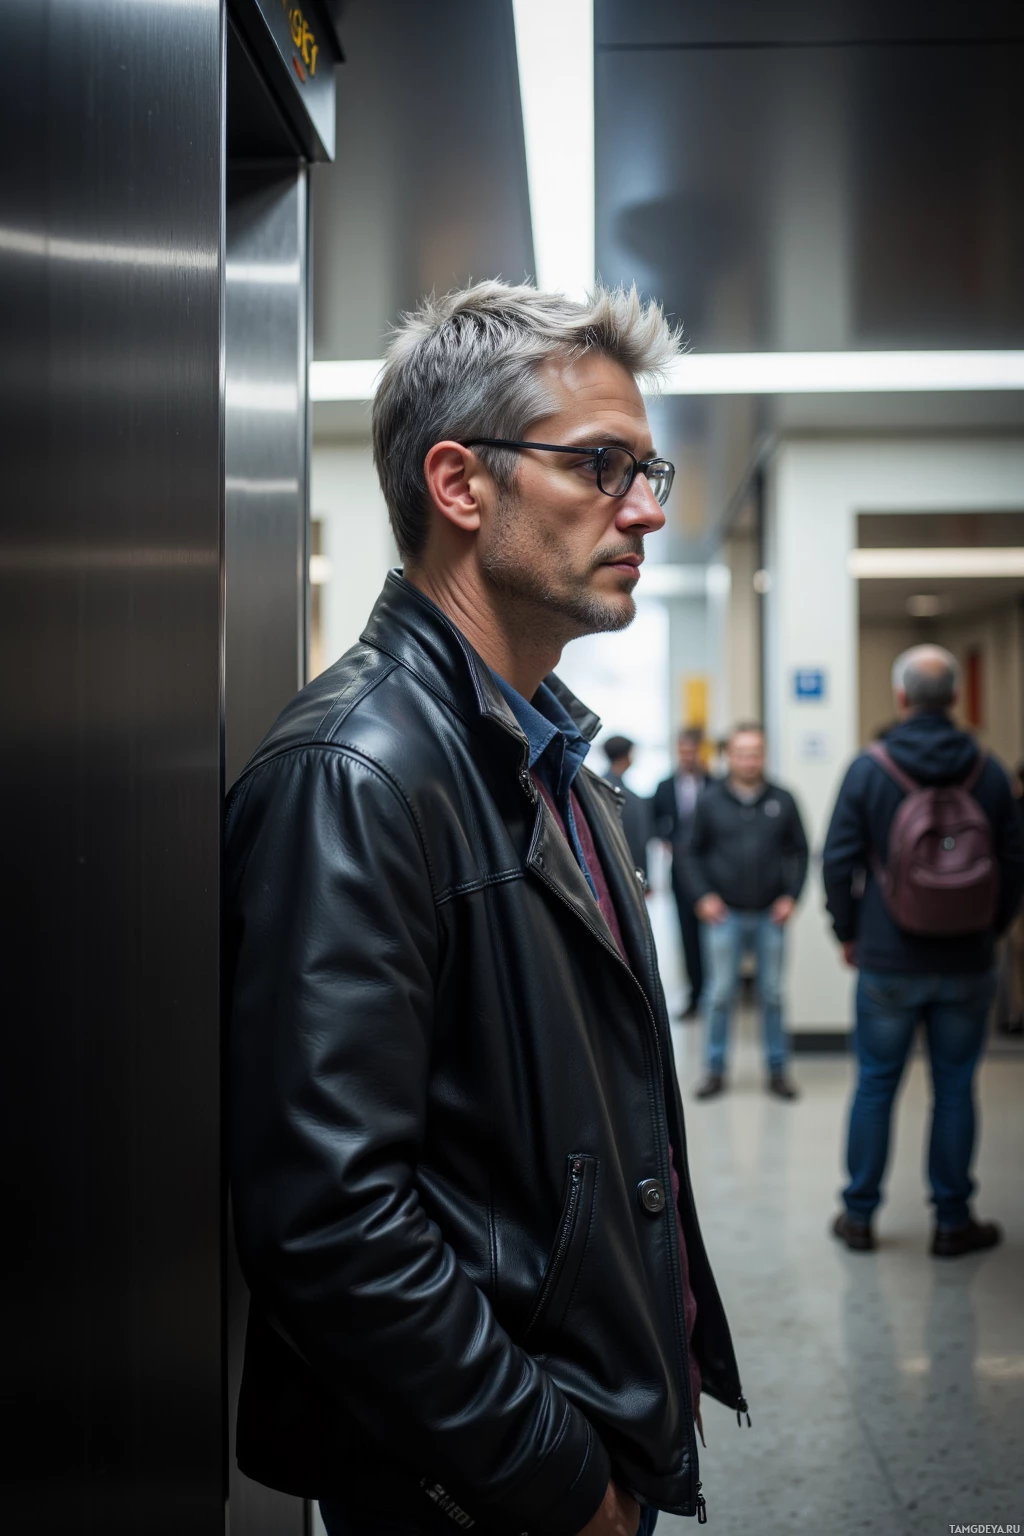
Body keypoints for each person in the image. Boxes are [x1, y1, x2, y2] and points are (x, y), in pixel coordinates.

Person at [225, 282, 745, 1536]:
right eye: (600, 464)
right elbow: (330, 1222)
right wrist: (555, 1478)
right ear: (460, 485)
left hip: (575, 1427)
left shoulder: (552, 761)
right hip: (480, 1485)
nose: (647, 507)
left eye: (646, 469)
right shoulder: (355, 774)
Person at [823, 644, 1024, 1257]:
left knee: (875, 1085)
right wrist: (990, 928)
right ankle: (953, 1221)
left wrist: (849, 932)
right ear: (955, 697)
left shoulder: (869, 768)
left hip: (888, 957)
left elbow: (838, 861)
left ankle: (859, 1216)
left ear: (902, 696)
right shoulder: (989, 769)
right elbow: (1014, 862)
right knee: (956, 1089)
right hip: (968, 960)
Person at [685, 724, 808, 1100]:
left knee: (772, 994)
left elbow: (801, 852)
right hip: (725, 915)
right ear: (729, 756)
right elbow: (689, 853)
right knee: (720, 994)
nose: (748, 760)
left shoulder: (783, 799)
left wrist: (791, 897)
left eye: (755, 753)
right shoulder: (709, 801)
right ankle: (715, 1070)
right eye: (741, 753)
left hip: (771, 914)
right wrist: (703, 896)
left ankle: (777, 1070)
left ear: (764, 756)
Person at [653, 729, 707, 1017]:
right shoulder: (664, 786)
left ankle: (715, 995)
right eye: (682, 751)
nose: (687, 756)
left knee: (713, 937)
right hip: (680, 868)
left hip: (712, 870)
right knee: (688, 935)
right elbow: (655, 821)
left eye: (691, 751)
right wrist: (668, 839)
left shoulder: (713, 783)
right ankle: (696, 994)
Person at [602, 734, 652, 885]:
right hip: (624, 873)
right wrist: (643, 876)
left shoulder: (596, 787)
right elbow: (636, 840)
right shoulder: (626, 797)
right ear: (626, 756)